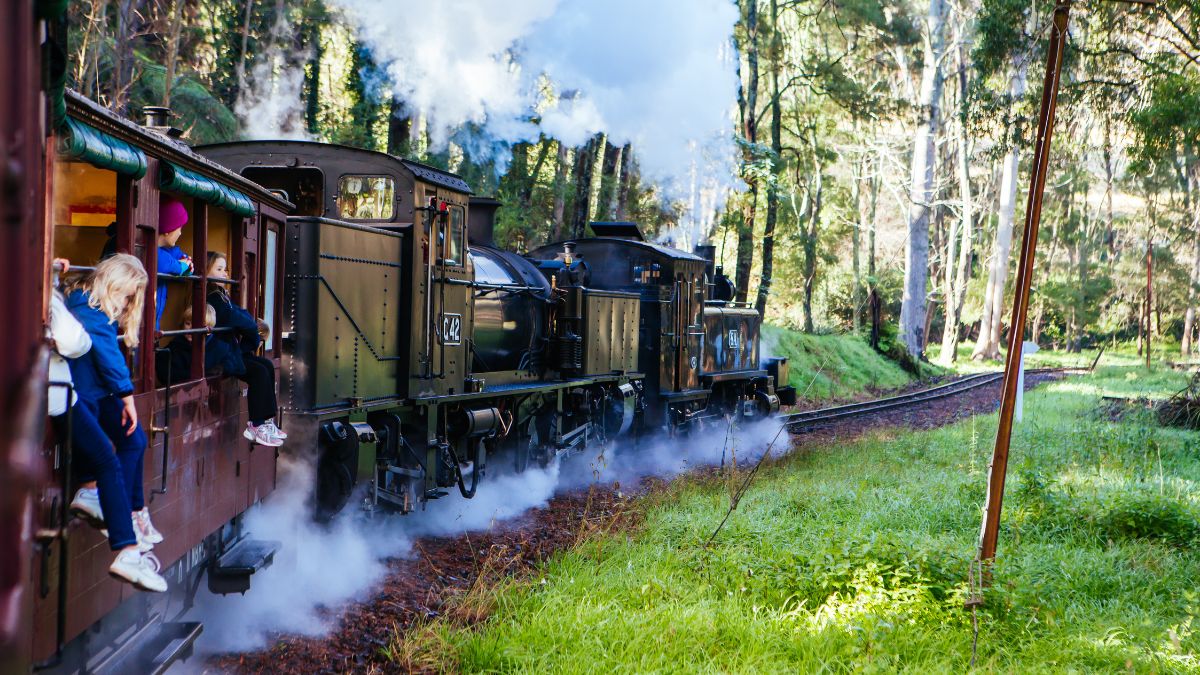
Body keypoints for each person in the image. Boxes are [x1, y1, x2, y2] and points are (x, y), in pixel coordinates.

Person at [53, 257, 165, 592]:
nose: (128, 302)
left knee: (135, 440)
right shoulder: (86, 304)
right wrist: (127, 396)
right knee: (109, 460)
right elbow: (105, 351)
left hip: (91, 393)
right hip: (80, 396)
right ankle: (123, 535)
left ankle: (133, 511)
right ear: (113, 282)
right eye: (127, 294)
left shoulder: (87, 305)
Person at [206, 252, 285, 447]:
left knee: (265, 365)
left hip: (228, 350)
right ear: (205, 271)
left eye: (225, 269)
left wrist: (249, 326)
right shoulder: (212, 296)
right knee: (258, 372)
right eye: (219, 269)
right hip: (219, 354)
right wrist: (251, 330)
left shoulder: (221, 294)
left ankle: (266, 422)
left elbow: (240, 314)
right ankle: (256, 425)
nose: (224, 274)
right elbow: (233, 317)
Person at [156, 304, 244, 386]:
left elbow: (237, 365)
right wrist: (204, 375)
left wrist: (221, 368)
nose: (191, 329)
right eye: (188, 323)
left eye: (197, 325)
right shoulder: (174, 346)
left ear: (208, 329)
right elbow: (164, 373)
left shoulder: (218, 346)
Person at [155, 197, 194, 331]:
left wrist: (186, 264)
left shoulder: (168, 251)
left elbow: (183, 260)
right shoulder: (153, 251)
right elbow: (166, 264)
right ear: (168, 229)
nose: (180, 233)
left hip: (153, 320)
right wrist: (182, 266)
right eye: (179, 228)